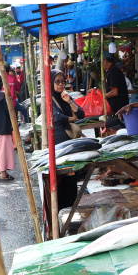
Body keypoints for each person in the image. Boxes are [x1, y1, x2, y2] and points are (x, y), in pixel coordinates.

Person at [50, 68, 85, 209]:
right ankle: (59, 211)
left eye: (63, 82)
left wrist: (70, 101)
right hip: (58, 144)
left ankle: (70, 210)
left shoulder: (66, 97)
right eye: (57, 82)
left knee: (71, 175)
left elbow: (81, 114)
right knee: (61, 177)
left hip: (70, 144)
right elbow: (56, 117)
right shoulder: (49, 99)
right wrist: (72, 118)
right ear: (51, 83)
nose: (60, 84)